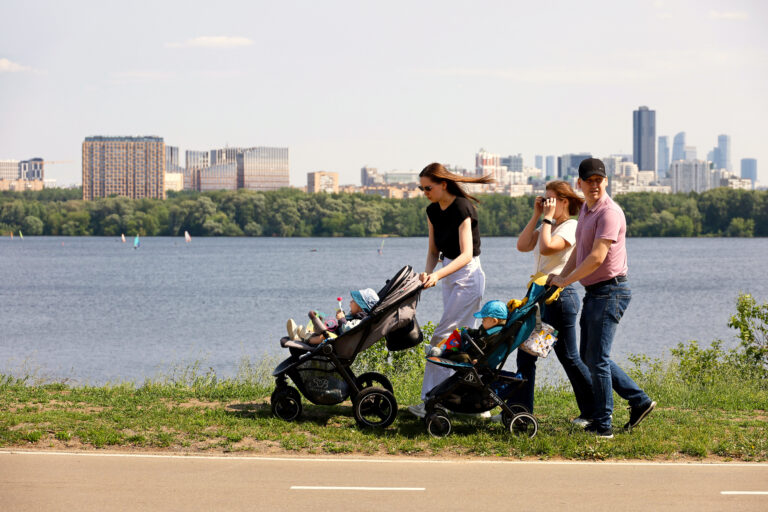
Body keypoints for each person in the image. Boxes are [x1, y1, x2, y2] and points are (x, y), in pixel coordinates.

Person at [548, 158, 656, 438]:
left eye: (599, 180)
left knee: (597, 359)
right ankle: (639, 400)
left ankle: (603, 424)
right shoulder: (586, 209)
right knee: (589, 356)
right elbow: (580, 253)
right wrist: (560, 277)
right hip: (596, 292)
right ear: (579, 184)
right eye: (589, 181)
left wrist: (565, 280)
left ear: (606, 181)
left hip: (612, 290)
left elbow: (597, 258)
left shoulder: (610, 213)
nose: (594, 185)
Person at [499, 181, 594, 426]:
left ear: (564, 201)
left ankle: (595, 411)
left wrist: (548, 219)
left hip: (560, 297)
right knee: (527, 351)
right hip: (541, 296)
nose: (546, 203)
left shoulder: (572, 226)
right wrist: (537, 216)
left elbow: (547, 247)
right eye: (545, 198)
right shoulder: (548, 224)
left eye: (551, 199)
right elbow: (522, 245)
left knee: (569, 357)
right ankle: (519, 411)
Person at [408, 162, 494, 418]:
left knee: (441, 339)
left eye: (428, 187)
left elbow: (466, 254)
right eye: (421, 189)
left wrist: (437, 275)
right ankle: (471, 402)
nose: (425, 192)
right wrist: (427, 272)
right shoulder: (432, 210)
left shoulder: (462, 208)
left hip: (467, 276)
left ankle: (430, 402)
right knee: (459, 344)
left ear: (443, 184)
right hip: (448, 274)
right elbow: (434, 250)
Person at [286, 288, 379, 345]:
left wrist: (341, 319)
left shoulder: (361, 321)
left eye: (353, 301)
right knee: (323, 332)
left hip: (338, 342)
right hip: (337, 337)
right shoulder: (356, 317)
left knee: (325, 336)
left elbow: (347, 329)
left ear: (360, 307)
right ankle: (302, 333)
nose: (350, 302)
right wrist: (342, 318)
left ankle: (301, 339)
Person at [428, 300, 508, 363]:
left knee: (462, 357)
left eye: (484, 319)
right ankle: (441, 351)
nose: (482, 321)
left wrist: (478, 360)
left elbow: (490, 352)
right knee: (455, 346)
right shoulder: (487, 328)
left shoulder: (496, 336)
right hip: (471, 350)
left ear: (494, 321)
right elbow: (478, 333)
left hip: (475, 358)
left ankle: (441, 355)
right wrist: (470, 330)